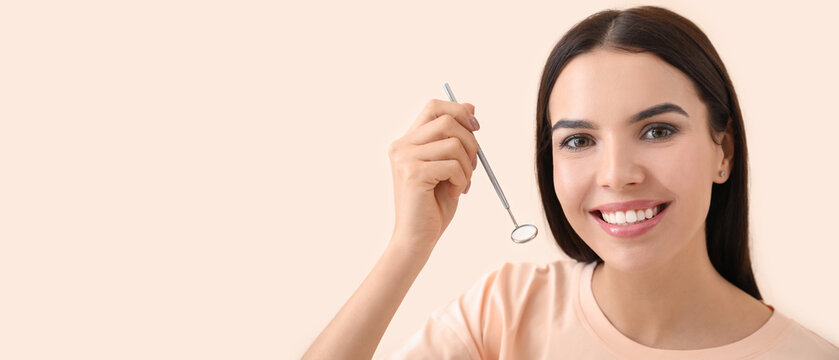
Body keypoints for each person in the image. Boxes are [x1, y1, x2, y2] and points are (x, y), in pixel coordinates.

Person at [303, 5, 839, 359]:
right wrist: (408, 245)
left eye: (657, 130)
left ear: (722, 152)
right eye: (580, 141)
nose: (617, 175)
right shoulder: (504, 314)